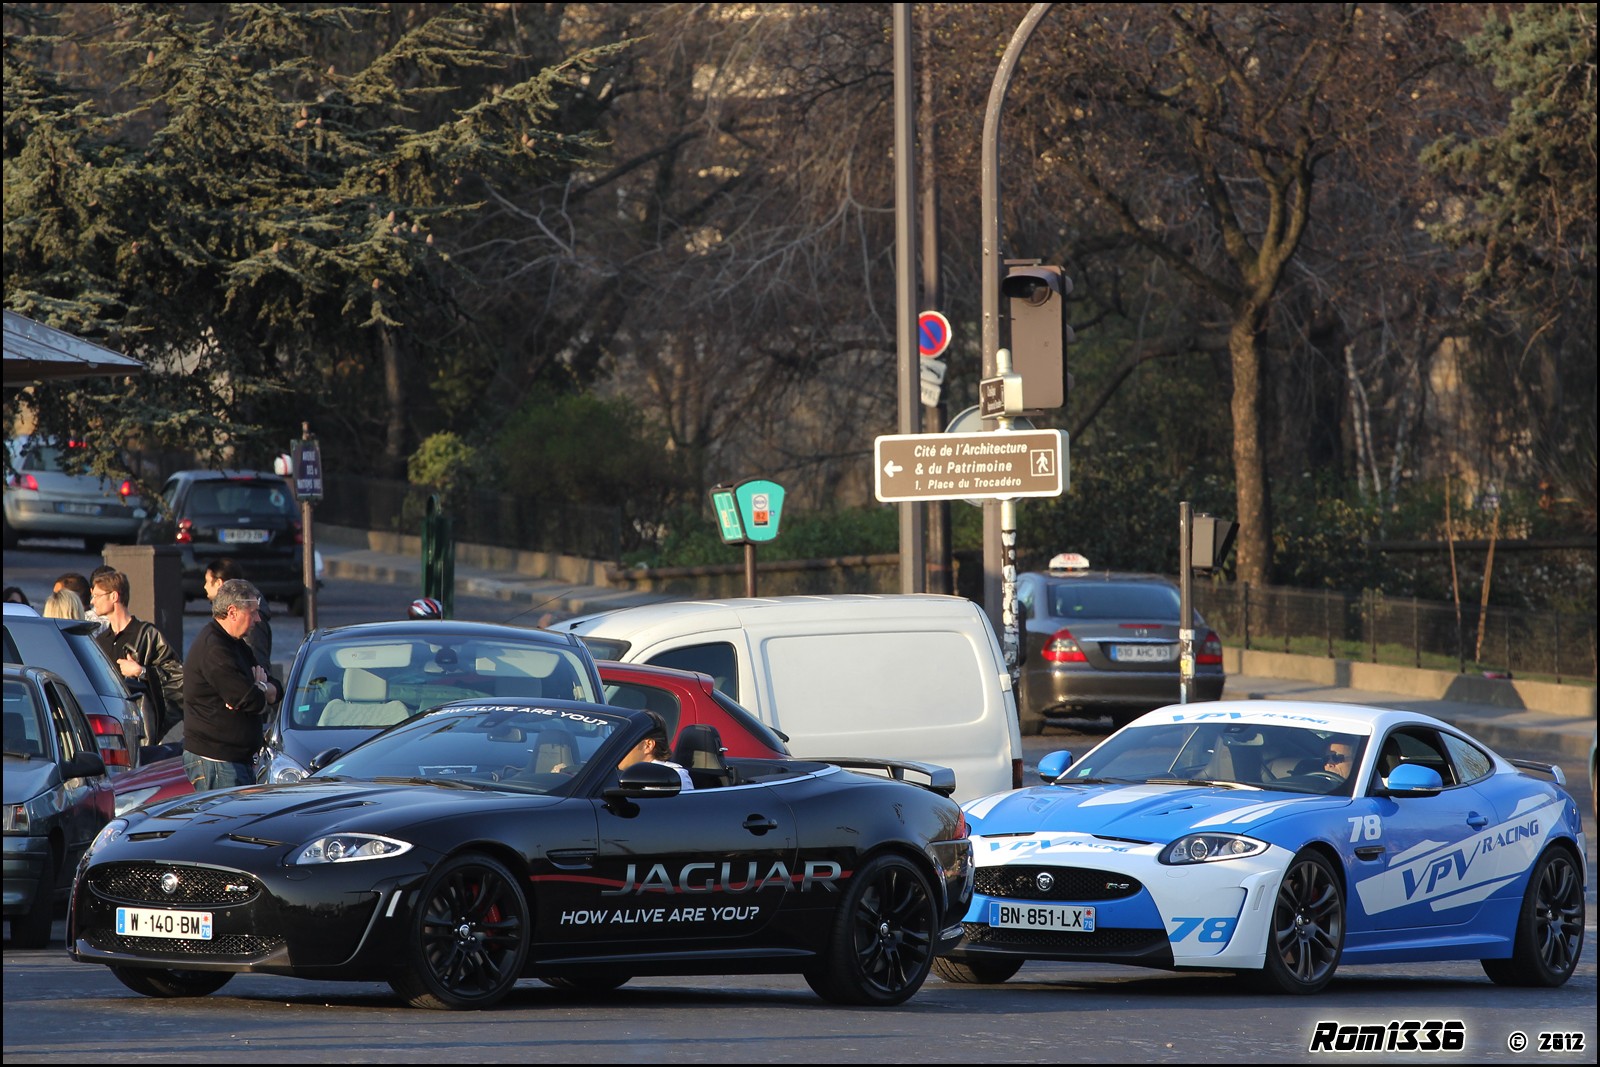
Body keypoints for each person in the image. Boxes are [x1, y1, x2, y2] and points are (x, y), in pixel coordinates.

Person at [183, 580, 281, 792]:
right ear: (232, 612)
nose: (258, 619)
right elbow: (247, 699)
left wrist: (260, 687)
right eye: (253, 612)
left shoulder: (236, 645)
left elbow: (275, 688)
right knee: (226, 824)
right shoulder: (215, 648)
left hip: (236, 760)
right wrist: (257, 689)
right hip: (217, 761)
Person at [90, 570, 185, 742]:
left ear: (114, 596)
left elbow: (178, 678)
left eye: (97, 595)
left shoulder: (147, 635)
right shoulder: (100, 641)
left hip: (140, 732)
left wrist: (141, 672)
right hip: (108, 729)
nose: (92, 601)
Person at [205, 559, 272, 669]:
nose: (205, 587)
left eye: (207, 581)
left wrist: (263, 685)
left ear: (219, 583)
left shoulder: (249, 620)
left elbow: (258, 664)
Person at [617, 711, 693, 791]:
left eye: (626, 742)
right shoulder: (613, 774)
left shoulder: (675, 776)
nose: (618, 748)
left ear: (648, 745)